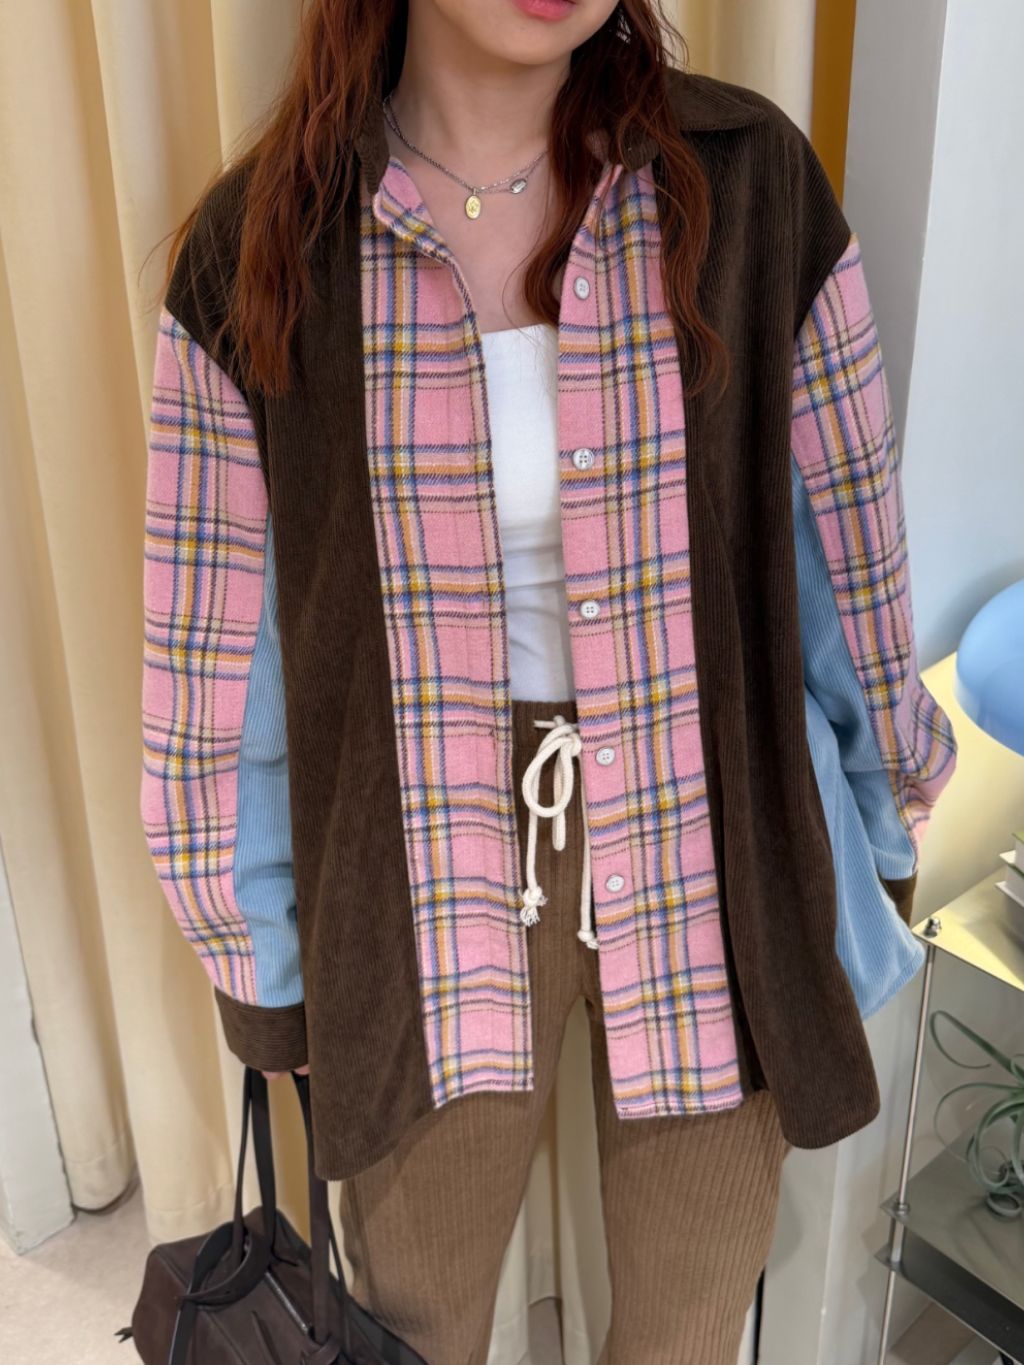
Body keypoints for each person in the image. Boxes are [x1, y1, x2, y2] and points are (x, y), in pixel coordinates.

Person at [139, 1, 958, 1360]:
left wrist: (884, 818)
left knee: (692, 1317)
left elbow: (848, 551)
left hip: (714, 840)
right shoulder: (265, 246)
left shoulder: (747, 185)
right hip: (420, 871)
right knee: (412, 1324)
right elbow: (218, 668)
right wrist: (260, 958)